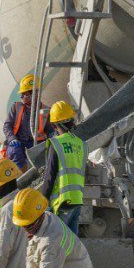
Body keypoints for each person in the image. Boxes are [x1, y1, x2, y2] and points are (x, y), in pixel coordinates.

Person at [38, 100, 86, 233]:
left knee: (59, 243)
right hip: (77, 199)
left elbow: (50, 176)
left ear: (55, 125)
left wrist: (43, 202)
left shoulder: (56, 144)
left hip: (62, 202)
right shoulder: (81, 144)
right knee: (72, 243)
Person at [2, 74, 40, 171]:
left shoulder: (44, 109)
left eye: (25, 94)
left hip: (35, 144)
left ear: (35, 93)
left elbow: (50, 130)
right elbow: (7, 126)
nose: (21, 96)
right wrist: (12, 138)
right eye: (21, 94)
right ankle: (22, 177)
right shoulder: (16, 107)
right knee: (14, 150)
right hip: (18, 143)